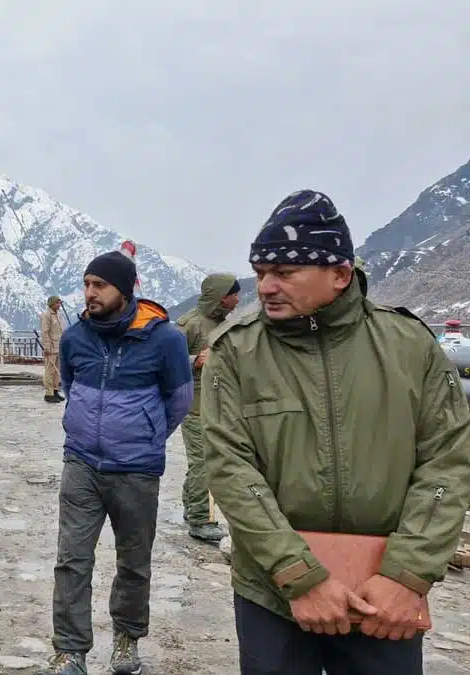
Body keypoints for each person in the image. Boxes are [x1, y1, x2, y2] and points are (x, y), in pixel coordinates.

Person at [203, 189, 470, 675]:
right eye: (261, 273)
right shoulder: (236, 353)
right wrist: (299, 576)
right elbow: (229, 468)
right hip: (274, 591)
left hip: (382, 595)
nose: (265, 287)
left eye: (284, 273)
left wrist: (406, 574)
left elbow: (448, 461)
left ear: (340, 274)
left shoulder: (411, 347)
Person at [41, 251, 193, 675]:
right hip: (82, 464)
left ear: (124, 290)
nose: (90, 293)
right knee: (72, 560)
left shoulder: (165, 340)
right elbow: (70, 385)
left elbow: (179, 400)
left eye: (99, 285)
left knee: (133, 561)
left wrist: (144, 436)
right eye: (87, 284)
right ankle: (70, 651)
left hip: (137, 470)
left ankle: (126, 641)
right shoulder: (75, 338)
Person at [174, 273, 240, 543]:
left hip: (215, 405)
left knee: (203, 462)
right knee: (204, 463)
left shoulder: (221, 323)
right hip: (193, 406)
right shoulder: (189, 325)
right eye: (234, 295)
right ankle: (201, 518)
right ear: (221, 296)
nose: (238, 300)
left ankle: (192, 508)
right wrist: (195, 360)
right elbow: (165, 361)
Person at [40, 296, 66, 403]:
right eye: (57, 303)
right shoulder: (47, 316)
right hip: (51, 347)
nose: (59, 305)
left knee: (57, 371)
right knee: (50, 370)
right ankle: (49, 393)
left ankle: (55, 390)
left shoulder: (59, 315)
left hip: (59, 346)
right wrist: (46, 347)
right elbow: (45, 332)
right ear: (52, 304)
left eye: (60, 303)